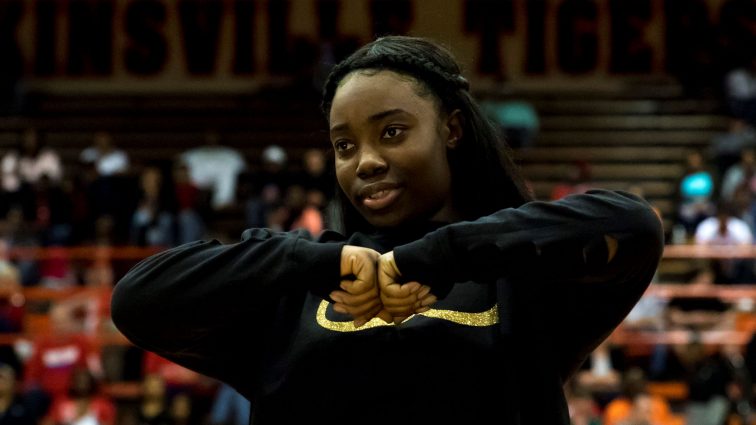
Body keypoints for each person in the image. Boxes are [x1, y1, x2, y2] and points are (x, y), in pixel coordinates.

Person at [111, 35, 663, 424]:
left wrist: (440, 256)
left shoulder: (516, 277)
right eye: (344, 146)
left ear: (451, 129)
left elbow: (633, 226)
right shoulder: (293, 289)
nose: (365, 162)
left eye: (393, 132)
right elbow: (137, 300)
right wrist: (315, 262)